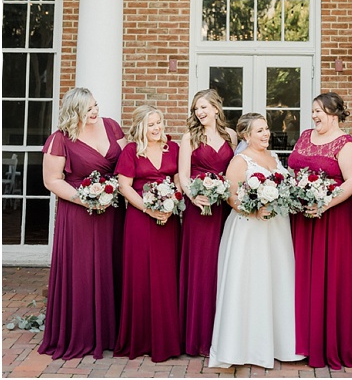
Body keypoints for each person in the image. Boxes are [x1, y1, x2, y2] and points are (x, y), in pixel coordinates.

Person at [209, 113, 302, 369]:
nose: (265, 134)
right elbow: (231, 197)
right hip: (250, 229)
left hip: (276, 229)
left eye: (266, 129)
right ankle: (245, 347)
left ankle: (281, 345)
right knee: (250, 281)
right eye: (259, 130)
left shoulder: (274, 158)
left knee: (277, 279)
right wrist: (253, 209)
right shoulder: (240, 161)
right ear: (246, 135)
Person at [39, 88, 126, 360]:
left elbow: (127, 163)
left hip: (113, 211)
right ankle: (83, 333)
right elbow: (52, 180)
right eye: (88, 109)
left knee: (112, 266)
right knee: (83, 270)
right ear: (74, 111)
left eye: (96, 105)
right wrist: (85, 199)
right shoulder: (61, 139)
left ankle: (112, 333)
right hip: (79, 214)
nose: (95, 112)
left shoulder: (111, 127)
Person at [288, 93, 352, 368]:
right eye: (312, 111)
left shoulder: (347, 145)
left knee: (330, 278)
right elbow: (293, 171)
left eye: (318, 111)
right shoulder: (305, 136)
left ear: (334, 114)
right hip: (302, 219)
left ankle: (330, 342)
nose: (314, 116)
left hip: (332, 221)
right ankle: (302, 342)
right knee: (302, 277)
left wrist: (324, 203)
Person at [114, 104, 183, 362]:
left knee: (166, 277)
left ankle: (166, 339)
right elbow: (125, 187)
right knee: (140, 276)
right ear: (141, 126)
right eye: (151, 124)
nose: (157, 128)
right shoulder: (131, 151)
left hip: (168, 219)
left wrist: (173, 199)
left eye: (159, 123)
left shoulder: (172, 148)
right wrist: (149, 209)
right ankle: (139, 338)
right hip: (140, 220)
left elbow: (178, 177)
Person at [176, 89, 236, 357]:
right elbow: (183, 175)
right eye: (196, 108)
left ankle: (221, 333)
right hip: (198, 210)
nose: (200, 112)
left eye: (204, 107)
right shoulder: (189, 137)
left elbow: (235, 171)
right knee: (200, 267)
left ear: (216, 108)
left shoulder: (231, 136)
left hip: (223, 208)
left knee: (221, 266)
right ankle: (196, 336)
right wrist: (194, 196)